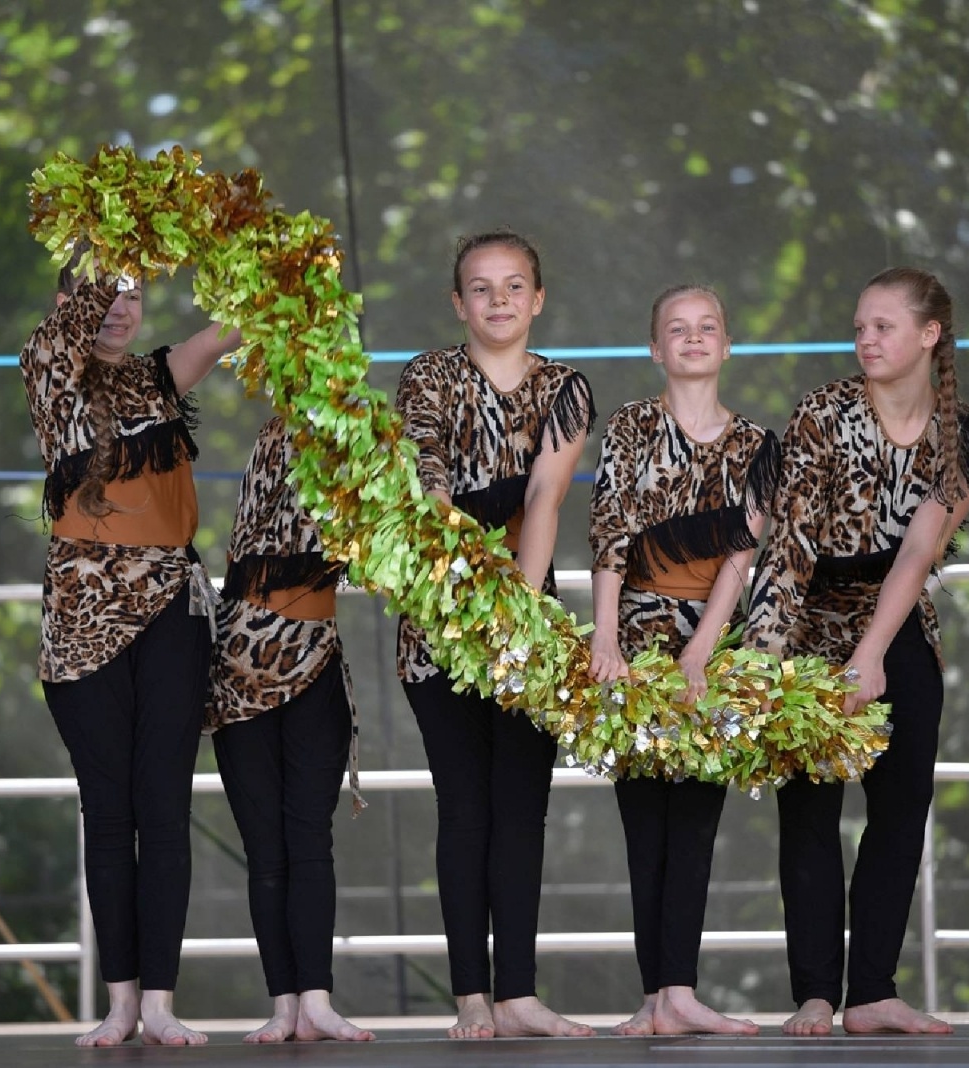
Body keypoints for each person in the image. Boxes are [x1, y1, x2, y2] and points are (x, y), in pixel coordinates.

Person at [746, 266, 969, 1036]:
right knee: (811, 815)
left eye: (883, 326)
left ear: (930, 334)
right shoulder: (823, 411)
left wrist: (874, 653)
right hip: (809, 621)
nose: (865, 339)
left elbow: (919, 554)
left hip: (894, 623)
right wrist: (763, 658)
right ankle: (816, 992)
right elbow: (786, 550)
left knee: (900, 809)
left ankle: (873, 992)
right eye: (859, 326)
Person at [20, 244, 241, 1047]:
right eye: (98, 294)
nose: (118, 306)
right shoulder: (49, 369)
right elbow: (70, 325)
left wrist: (276, 259)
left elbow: (229, 332)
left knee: (164, 808)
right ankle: (119, 1002)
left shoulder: (156, 376)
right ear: (66, 301)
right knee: (108, 814)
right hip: (83, 628)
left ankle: (158, 1003)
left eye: (133, 293)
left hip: (173, 617)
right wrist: (108, 237)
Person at [394, 229, 597, 1039]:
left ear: (538, 299)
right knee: (465, 807)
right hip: (440, 618)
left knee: (522, 807)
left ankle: (518, 992)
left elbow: (544, 500)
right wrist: (466, 606)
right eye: (481, 288)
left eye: (515, 286)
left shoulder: (566, 388)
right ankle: (470, 996)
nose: (499, 300)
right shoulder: (429, 375)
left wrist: (517, 616)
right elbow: (430, 489)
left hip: (527, 618)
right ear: (458, 303)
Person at [587, 285, 776, 1037]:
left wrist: (704, 648)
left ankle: (681, 989)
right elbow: (609, 531)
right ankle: (650, 997)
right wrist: (605, 635)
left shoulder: (760, 444)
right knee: (645, 825)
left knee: (695, 821)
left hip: (713, 639)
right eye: (678, 330)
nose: (694, 339)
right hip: (635, 633)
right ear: (656, 349)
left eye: (707, 329)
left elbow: (743, 552)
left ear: (726, 346)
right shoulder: (632, 425)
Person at [205, 414, 375, 1044]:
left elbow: (379, 553)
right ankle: (284, 1005)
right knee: (266, 849)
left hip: (315, 663)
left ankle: (318, 1001)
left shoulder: (363, 444)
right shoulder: (272, 441)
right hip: (241, 669)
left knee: (309, 838)